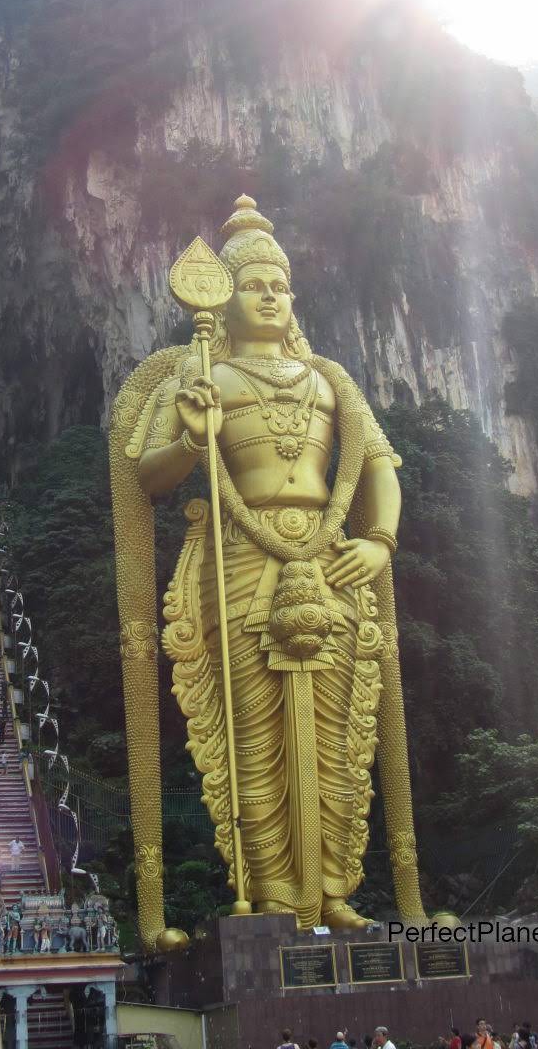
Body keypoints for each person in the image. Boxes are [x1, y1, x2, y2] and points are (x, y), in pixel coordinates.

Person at [117, 194, 425, 933]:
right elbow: (145, 478)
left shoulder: (330, 381)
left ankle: (334, 890)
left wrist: (378, 538)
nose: (270, 296)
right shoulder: (201, 379)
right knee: (252, 740)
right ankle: (277, 898)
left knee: (339, 732)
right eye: (254, 285)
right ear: (222, 299)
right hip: (240, 561)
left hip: (328, 564)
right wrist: (192, 438)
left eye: (280, 286)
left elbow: (379, 465)